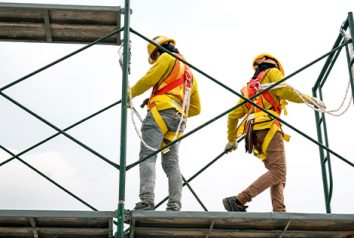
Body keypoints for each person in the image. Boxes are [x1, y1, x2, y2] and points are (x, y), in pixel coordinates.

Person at [223, 53, 325, 212]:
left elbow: (233, 115)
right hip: (268, 127)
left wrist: (231, 140)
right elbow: (286, 91)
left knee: (277, 173)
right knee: (279, 171)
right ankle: (238, 200)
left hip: (254, 134)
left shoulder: (249, 88)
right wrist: (309, 100)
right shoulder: (272, 73)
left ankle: (279, 210)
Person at [129, 36, 201, 211]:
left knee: (148, 156)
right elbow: (196, 108)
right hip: (178, 122)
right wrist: (175, 109)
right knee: (171, 164)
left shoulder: (166, 58)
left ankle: (147, 201)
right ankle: (174, 205)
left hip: (158, 114)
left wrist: (129, 94)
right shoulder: (189, 72)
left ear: (158, 52)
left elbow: (149, 79)